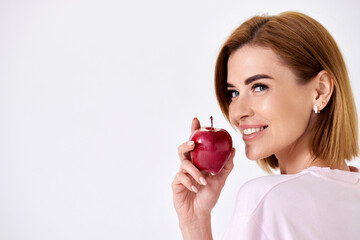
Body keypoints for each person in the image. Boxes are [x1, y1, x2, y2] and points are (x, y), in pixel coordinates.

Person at [171, 11, 360, 239]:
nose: (238, 112)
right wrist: (195, 218)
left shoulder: (266, 199)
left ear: (320, 91)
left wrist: (194, 224)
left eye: (259, 87)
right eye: (233, 93)